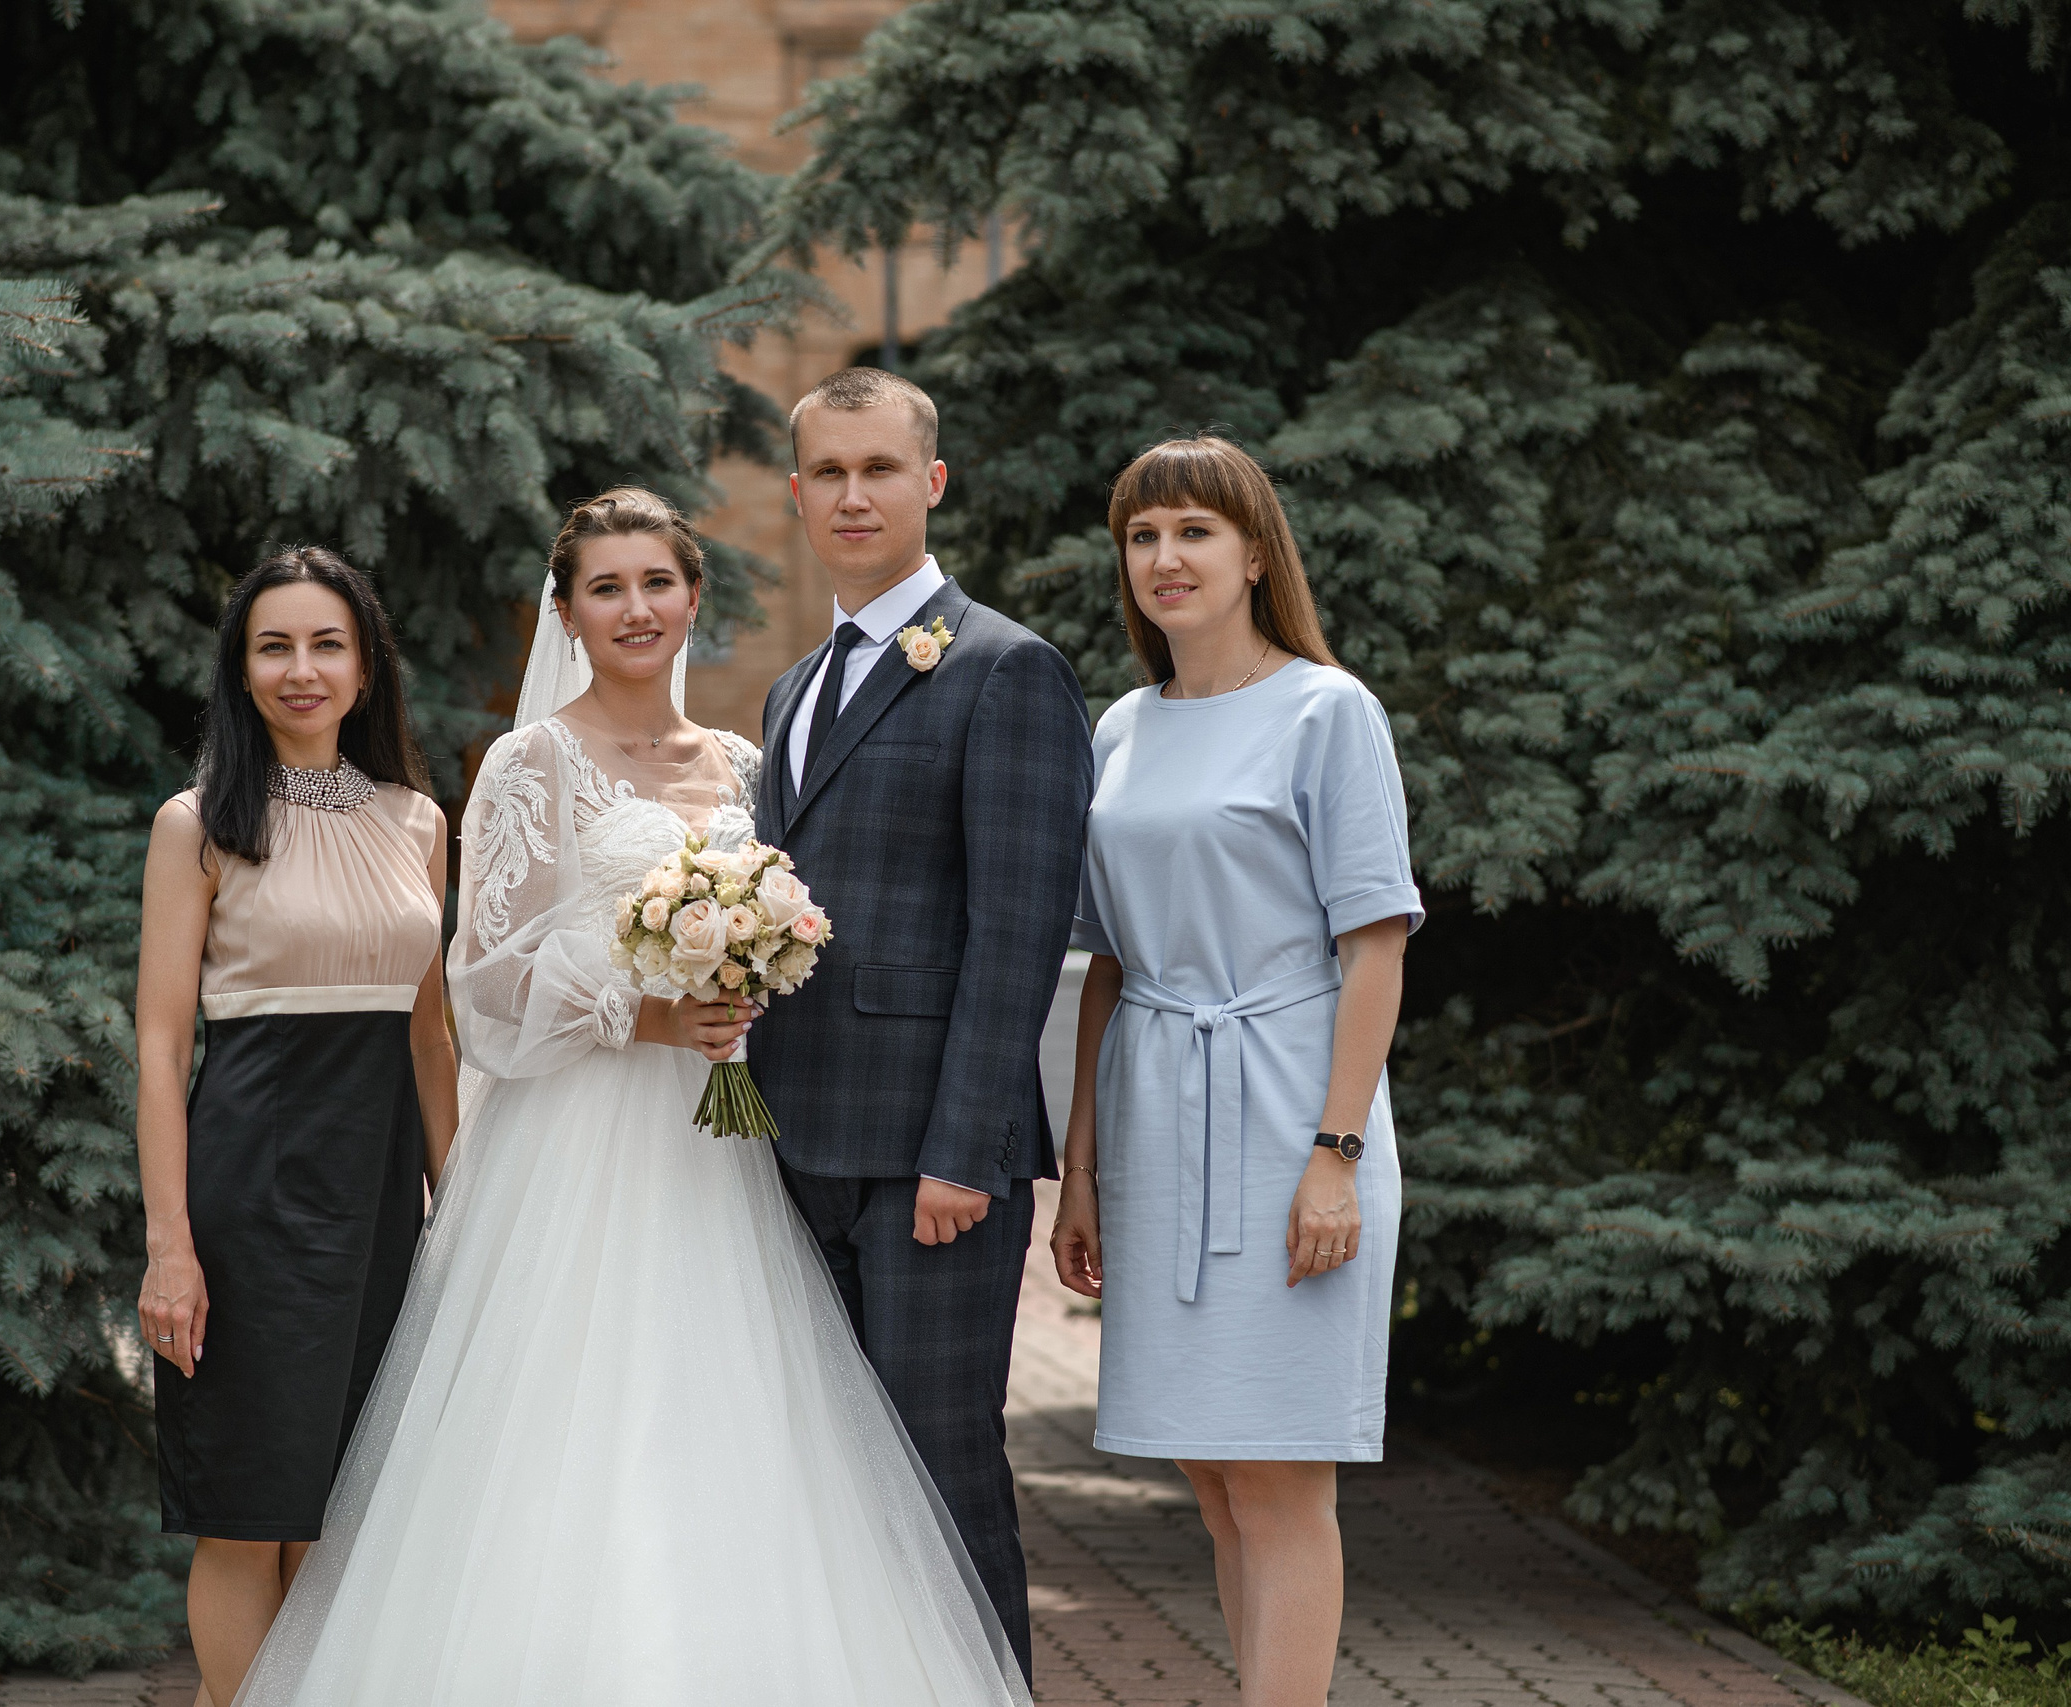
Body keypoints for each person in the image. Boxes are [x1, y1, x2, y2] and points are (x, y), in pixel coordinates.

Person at [234, 488, 1029, 1707]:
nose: (635, 608)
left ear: (693, 598)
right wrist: (642, 1008)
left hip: (722, 1147)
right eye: (604, 588)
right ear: (566, 612)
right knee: (566, 1441)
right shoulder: (527, 761)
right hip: (577, 1149)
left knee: (734, 1435)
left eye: (656, 583)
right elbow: (481, 990)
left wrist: (750, 984)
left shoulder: (751, 762)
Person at [1049, 436, 1420, 1707]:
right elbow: (1105, 965)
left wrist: (1335, 1158)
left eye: (1194, 533)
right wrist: (1080, 1171)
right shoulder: (1121, 727)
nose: (1165, 559)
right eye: (1142, 538)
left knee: (1274, 1473)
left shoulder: (1328, 709)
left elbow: (1373, 946)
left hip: (1285, 1108)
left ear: (1255, 554)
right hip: (1155, 1112)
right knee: (1209, 1477)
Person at [748, 367, 1096, 1682]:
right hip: (794, 1141)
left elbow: (1018, 933)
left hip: (928, 1162)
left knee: (942, 1465)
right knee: (832, 1477)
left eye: (878, 468)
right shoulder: (790, 692)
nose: (852, 493)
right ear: (796, 494)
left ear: (930, 482)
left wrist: (963, 1150)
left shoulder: (1006, 668)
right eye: (827, 472)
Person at [134, 547, 457, 1707]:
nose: (301, 668)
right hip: (247, 1195)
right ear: (243, 668)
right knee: (248, 1512)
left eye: (327, 644)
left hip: (374, 1203)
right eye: (275, 645)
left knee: (340, 1510)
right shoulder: (198, 823)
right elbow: (163, 1046)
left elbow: (430, 1041)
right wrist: (171, 1244)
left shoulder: (417, 820)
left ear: (365, 669)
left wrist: (458, 1210)